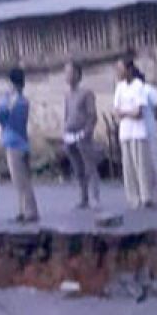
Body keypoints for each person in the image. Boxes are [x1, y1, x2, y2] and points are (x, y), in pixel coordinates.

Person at [0, 67, 39, 223]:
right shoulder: (23, 101)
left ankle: (30, 212)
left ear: (10, 82)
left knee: (20, 181)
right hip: (23, 142)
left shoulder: (8, 102)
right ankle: (22, 211)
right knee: (24, 178)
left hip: (13, 145)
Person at [113, 58, 155, 208]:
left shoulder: (138, 86)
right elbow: (117, 111)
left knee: (141, 166)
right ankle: (133, 198)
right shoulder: (119, 87)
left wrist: (125, 112)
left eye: (120, 68)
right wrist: (127, 112)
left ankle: (146, 197)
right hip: (125, 132)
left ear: (129, 69)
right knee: (128, 167)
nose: (118, 72)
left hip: (138, 132)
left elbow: (138, 113)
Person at [63, 61, 101, 209]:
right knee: (77, 168)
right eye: (66, 73)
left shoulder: (86, 93)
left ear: (78, 75)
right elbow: (66, 115)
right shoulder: (67, 95)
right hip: (70, 135)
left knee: (89, 166)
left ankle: (95, 197)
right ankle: (83, 197)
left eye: (71, 73)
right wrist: (65, 131)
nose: (68, 76)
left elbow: (92, 115)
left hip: (82, 135)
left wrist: (87, 132)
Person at [132, 66, 157, 199]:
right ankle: (146, 190)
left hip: (149, 130)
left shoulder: (149, 90)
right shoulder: (132, 92)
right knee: (143, 161)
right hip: (137, 131)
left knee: (153, 159)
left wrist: (152, 121)